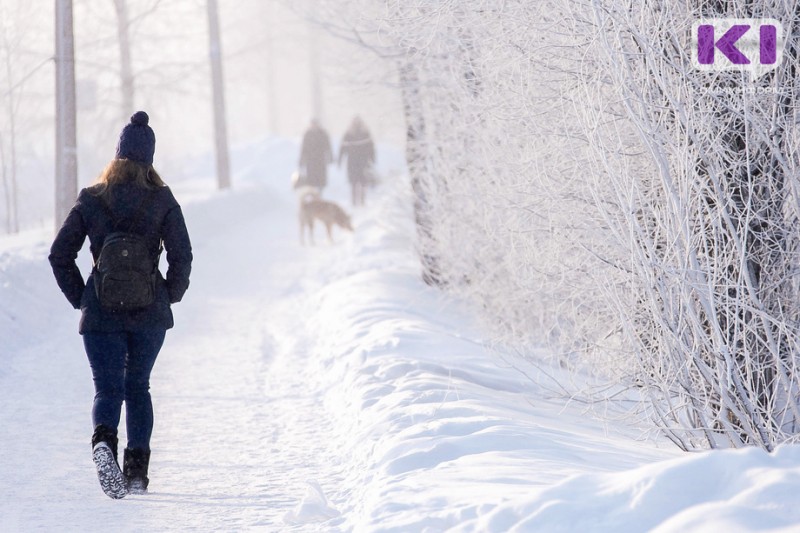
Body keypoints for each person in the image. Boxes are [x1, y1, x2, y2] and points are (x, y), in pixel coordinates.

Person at [49, 111, 193, 499]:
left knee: (107, 389)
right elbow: (183, 256)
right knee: (138, 387)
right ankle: (136, 472)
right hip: (149, 314)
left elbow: (60, 254)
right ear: (149, 158)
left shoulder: (92, 199)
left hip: (101, 313)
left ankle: (103, 441)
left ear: (117, 155)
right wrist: (168, 295)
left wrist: (83, 296)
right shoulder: (162, 199)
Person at [338, 116, 375, 207]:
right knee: (354, 182)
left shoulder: (365, 133)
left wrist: (372, 158)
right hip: (352, 161)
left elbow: (371, 148)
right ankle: (354, 200)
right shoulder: (349, 134)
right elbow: (343, 148)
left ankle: (362, 200)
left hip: (363, 161)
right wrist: (340, 159)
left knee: (362, 181)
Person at [298, 118, 333, 190]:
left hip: (320, 160)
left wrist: (330, 156)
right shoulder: (307, 134)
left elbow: (328, 146)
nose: (314, 126)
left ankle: (319, 194)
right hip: (310, 161)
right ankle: (312, 194)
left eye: (315, 124)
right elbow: (304, 148)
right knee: (311, 179)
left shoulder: (323, 134)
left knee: (320, 179)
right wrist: (301, 159)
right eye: (313, 124)